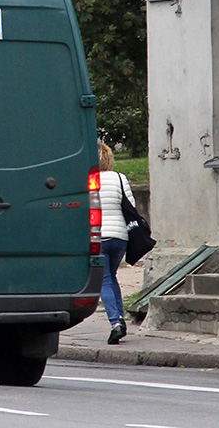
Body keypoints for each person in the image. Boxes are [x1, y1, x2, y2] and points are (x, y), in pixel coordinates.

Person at [97, 141, 133, 344]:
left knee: (104, 280)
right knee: (112, 277)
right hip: (120, 237)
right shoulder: (120, 178)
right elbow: (131, 206)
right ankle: (121, 318)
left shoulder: (87, 180)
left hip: (98, 237)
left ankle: (115, 323)